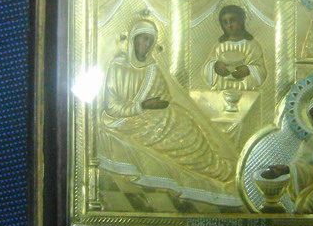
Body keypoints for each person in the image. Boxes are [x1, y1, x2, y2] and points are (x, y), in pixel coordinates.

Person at [100, 20, 234, 183]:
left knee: (183, 119)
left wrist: (160, 104)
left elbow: (165, 97)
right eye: (143, 38)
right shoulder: (118, 66)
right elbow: (111, 106)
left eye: (150, 40)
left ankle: (213, 165)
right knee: (172, 126)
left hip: (153, 114)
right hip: (124, 120)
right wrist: (142, 105)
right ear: (134, 39)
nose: (147, 44)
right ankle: (212, 169)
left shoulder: (152, 68)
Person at [204, 5, 266, 91]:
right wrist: (215, 66)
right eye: (225, 22)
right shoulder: (219, 46)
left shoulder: (252, 45)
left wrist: (249, 69)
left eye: (232, 20)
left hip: (246, 90)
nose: (229, 25)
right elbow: (208, 66)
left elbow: (260, 70)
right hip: (222, 88)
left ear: (241, 21)